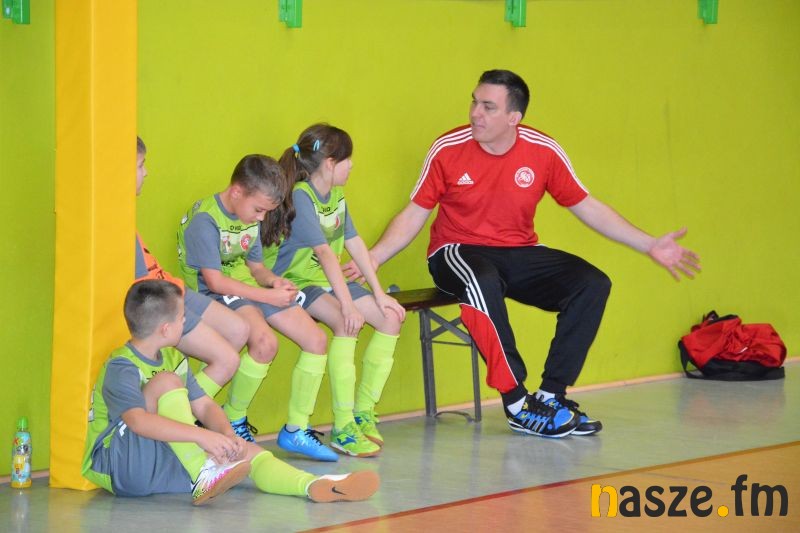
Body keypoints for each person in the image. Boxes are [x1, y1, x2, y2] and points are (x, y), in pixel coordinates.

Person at [346, 69, 700, 438]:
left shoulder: (542, 150)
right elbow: (414, 213)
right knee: (481, 279)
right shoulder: (448, 148)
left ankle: (551, 397)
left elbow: (587, 206)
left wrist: (649, 244)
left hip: (518, 251)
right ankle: (517, 403)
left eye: (488, 107)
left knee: (592, 283)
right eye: (474, 102)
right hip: (456, 251)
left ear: (514, 117)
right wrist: (375, 256)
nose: (475, 113)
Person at [81, 279, 380, 505]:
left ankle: (312, 485)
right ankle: (203, 473)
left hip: (160, 459)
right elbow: (137, 421)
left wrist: (226, 435)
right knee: (166, 383)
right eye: (182, 316)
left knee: (247, 452)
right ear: (165, 329)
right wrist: (202, 437)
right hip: (120, 465)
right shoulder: (122, 365)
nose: (186, 320)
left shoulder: (173, 357)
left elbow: (204, 406)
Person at [177, 154, 338, 462]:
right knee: (265, 343)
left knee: (316, 339)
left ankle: (296, 429)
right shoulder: (205, 221)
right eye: (259, 210)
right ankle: (231, 418)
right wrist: (266, 296)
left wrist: (274, 282)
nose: (262, 219)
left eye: (266, 212)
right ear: (237, 192)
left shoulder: (248, 217)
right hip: (214, 294)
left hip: (247, 288)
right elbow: (215, 282)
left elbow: (256, 268)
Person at [265, 124, 405, 457]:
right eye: (347, 159)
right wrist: (348, 304)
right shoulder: (302, 196)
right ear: (329, 163)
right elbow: (326, 253)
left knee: (390, 317)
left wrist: (379, 293)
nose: (352, 165)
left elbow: (354, 243)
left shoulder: (337, 196)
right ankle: (343, 427)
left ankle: (362, 411)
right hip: (297, 281)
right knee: (346, 322)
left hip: (326, 280)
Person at [136, 137, 248, 402]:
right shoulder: (108, 217)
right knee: (228, 360)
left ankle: (187, 408)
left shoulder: (122, 212)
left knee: (239, 330)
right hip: (160, 303)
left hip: (172, 289)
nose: (146, 172)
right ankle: (183, 415)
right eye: (140, 165)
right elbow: (139, 287)